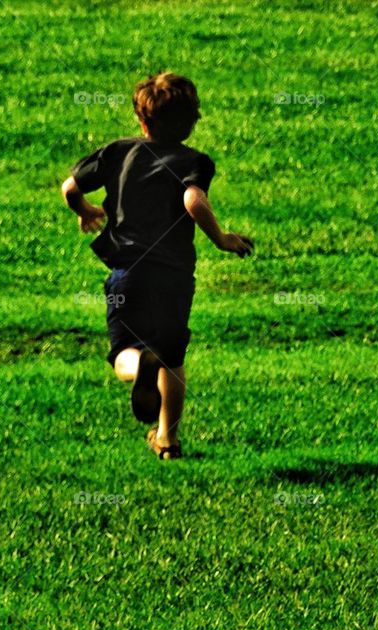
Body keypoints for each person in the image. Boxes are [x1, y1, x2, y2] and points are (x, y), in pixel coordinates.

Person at [62, 72, 254, 459]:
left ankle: (139, 368)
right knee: (173, 357)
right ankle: (168, 438)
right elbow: (194, 201)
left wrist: (85, 211)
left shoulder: (119, 151)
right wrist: (221, 239)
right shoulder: (195, 160)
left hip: (127, 274)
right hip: (175, 277)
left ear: (141, 120)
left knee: (122, 354)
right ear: (191, 121)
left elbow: (70, 187)